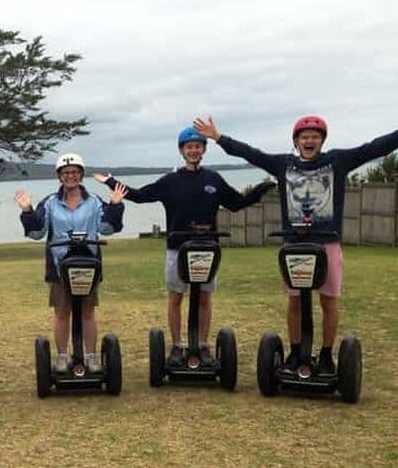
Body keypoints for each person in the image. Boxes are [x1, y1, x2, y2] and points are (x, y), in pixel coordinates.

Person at [194, 115, 398, 374]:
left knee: (328, 301)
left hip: (327, 244)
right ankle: (295, 351)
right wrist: (219, 137)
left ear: (322, 140)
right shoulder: (284, 164)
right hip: (295, 247)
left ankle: (325, 354)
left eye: (315, 136)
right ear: (296, 141)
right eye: (304, 137)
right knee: (295, 302)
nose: (309, 140)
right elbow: (251, 154)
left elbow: (375, 148)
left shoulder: (337, 161)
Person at [93, 127, 274, 367]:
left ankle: (202, 345)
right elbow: (140, 195)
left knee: (204, 299)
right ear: (181, 150)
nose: (193, 150)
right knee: (176, 298)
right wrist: (111, 182)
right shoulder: (171, 181)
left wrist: (264, 186)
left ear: (203, 150)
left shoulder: (213, 179)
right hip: (177, 248)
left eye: (198, 146)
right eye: (189, 147)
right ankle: (178, 345)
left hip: (207, 249)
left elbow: (237, 203)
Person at [15, 152, 127, 373]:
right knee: (62, 312)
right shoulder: (49, 203)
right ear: (60, 176)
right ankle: (63, 356)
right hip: (60, 267)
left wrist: (115, 206)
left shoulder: (94, 202)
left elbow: (107, 228)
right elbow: (37, 232)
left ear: (81, 175)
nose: (70, 176)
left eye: (75, 172)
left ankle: (92, 356)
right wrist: (27, 211)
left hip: (88, 265)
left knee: (87, 312)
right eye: (66, 173)